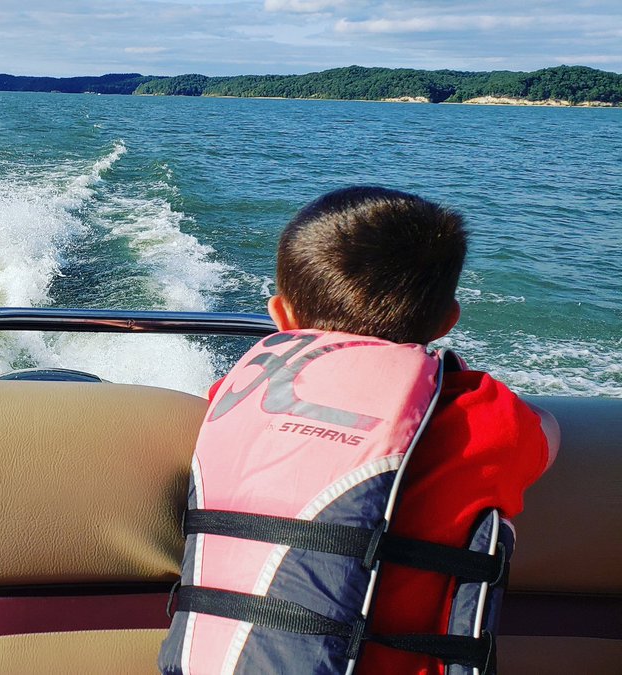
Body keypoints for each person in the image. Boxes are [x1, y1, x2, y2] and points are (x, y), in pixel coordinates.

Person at [210, 185, 559, 673]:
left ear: (281, 317)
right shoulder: (480, 413)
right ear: (447, 321)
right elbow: (546, 436)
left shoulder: (237, 394)